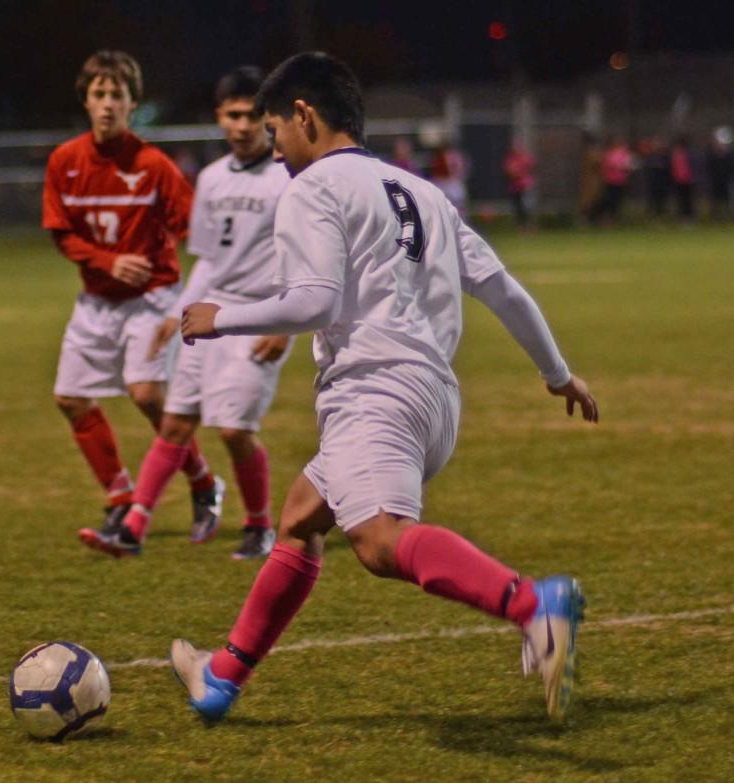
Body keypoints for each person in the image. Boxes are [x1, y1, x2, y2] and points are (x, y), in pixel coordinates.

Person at [170, 52, 597, 724]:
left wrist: (219, 317)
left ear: (304, 116)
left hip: (373, 389)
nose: (276, 149)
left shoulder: (311, 188)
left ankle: (531, 604)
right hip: (433, 399)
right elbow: (502, 289)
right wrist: (556, 372)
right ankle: (221, 676)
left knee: (376, 539)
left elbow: (313, 300)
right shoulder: (423, 191)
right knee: (303, 517)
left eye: (275, 129)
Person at [79, 66, 292, 559]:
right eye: (232, 115)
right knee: (176, 423)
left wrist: (285, 327)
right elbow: (209, 261)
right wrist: (174, 316)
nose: (241, 125)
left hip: (261, 314)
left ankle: (259, 525)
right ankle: (132, 529)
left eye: (251, 115)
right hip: (209, 316)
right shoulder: (213, 179)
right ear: (219, 117)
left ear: (268, 118)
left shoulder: (288, 179)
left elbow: (309, 258)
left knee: (235, 429)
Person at [42, 50, 222, 547]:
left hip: (152, 298)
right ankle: (120, 499)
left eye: (116, 96)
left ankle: (204, 483)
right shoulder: (66, 162)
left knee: (145, 393)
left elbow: (195, 233)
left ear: (132, 103)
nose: (106, 105)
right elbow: (61, 234)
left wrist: (204, 289)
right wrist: (107, 261)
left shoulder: (152, 166)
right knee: (71, 399)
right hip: (97, 301)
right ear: (86, 101)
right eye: (98, 95)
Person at [503, 142, 536, 228]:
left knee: (527, 206)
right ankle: (521, 225)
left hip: (525, 186)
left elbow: (532, 167)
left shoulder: (525, 158)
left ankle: (529, 224)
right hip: (515, 188)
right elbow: (510, 172)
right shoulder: (510, 160)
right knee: (518, 207)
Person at [706, 127, 733, 221]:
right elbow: (708, 168)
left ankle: (729, 217)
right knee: (714, 200)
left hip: (727, 180)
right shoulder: (711, 155)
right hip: (715, 181)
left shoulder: (729, 155)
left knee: (728, 200)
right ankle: (714, 218)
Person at [670, 135, 698, 224]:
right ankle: (681, 218)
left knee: (688, 200)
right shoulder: (675, 154)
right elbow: (673, 168)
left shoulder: (689, 154)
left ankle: (689, 218)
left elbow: (693, 167)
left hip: (688, 180)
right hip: (678, 180)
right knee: (680, 200)